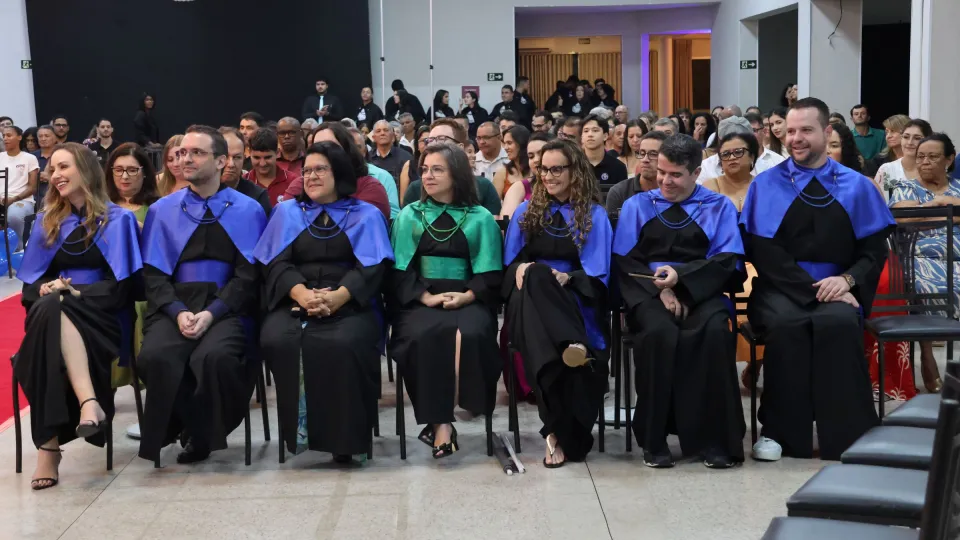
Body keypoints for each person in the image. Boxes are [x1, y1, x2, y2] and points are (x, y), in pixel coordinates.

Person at [741, 98, 895, 462]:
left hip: (840, 289)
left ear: (826, 133)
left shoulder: (857, 187)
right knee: (787, 325)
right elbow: (763, 252)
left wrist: (846, 281)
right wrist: (815, 290)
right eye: (790, 131)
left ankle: (847, 436)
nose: (796, 138)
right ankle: (779, 434)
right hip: (780, 289)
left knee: (840, 325)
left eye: (806, 130)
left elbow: (873, 251)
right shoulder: (766, 185)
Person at [137, 125, 267, 465]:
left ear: (222, 161)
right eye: (181, 153)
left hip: (228, 305)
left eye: (196, 152)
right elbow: (154, 275)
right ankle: (191, 424)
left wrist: (212, 312)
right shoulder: (162, 210)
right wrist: (179, 312)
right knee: (156, 357)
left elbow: (249, 275)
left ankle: (198, 434)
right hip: (175, 304)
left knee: (215, 359)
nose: (185, 158)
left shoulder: (248, 209)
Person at [255, 141, 393, 462]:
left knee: (345, 343)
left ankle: (346, 443)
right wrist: (302, 293)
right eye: (306, 171)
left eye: (320, 169)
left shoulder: (365, 214)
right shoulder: (287, 212)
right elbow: (275, 263)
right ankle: (301, 436)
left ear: (339, 173)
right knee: (280, 339)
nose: (311, 177)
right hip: (294, 298)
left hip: (350, 300)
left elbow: (372, 268)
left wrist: (339, 296)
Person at [15, 142, 141, 489]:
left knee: (48, 330)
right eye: (52, 169)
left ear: (86, 170)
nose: (55, 175)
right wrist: (44, 289)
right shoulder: (46, 221)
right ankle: (90, 403)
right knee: (50, 306)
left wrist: (75, 292)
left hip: (103, 318)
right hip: (51, 312)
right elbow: (28, 286)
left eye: (64, 167)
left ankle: (48, 450)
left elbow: (123, 289)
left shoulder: (118, 220)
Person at [615, 134, 745, 468]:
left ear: (696, 172)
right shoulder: (638, 206)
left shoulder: (717, 206)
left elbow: (728, 260)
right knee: (659, 335)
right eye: (661, 172)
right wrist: (663, 288)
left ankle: (716, 440)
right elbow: (625, 262)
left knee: (715, 333)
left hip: (703, 292)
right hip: (647, 291)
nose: (664, 181)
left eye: (675, 175)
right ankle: (654, 439)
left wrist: (683, 283)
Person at [388, 142, 503, 459]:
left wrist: (467, 295)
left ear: (457, 175)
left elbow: (492, 273)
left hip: (469, 294)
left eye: (437, 169)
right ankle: (441, 424)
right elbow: (398, 270)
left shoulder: (479, 218)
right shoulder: (410, 215)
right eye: (424, 169)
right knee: (424, 336)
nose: (427, 175)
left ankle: (456, 408)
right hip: (420, 297)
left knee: (469, 335)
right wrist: (425, 296)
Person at [503, 139, 612, 468]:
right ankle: (572, 345)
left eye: (556, 169)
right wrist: (525, 269)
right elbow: (509, 270)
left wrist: (569, 279)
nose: (548, 176)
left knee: (545, 347)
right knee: (535, 274)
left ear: (575, 170)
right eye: (543, 170)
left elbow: (600, 275)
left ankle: (559, 437)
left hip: (576, 300)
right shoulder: (526, 212)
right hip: (530, 300)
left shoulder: (593, 215)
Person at [889, 133, 960, 394]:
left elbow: (919, 215)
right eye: (921, 157)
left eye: (933, 157)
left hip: (959, 257)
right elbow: (903, 218)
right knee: (921, 282)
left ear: (949, 160)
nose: (925, 162)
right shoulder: (904, 186)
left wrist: (936, 208)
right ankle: (927, 355)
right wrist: (950, 212)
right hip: (921, 258)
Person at [103, 143, 160, 395]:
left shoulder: (159, 208)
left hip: (147, 282)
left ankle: (149, 386)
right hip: (107, 283)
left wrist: (141, 233)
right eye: (118, 170)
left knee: (138, 305)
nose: (124, 177)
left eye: (132, 171)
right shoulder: (99, 208)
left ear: (144, 173)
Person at [401, 119, 501, 216]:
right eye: (430, 140)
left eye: (442, 139)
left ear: (460, 148)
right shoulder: (415, 189)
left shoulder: (483, 187)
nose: (434, 145)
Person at [311, 123, 391, 219]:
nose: (321, 153)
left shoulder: (370, 187)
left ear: (347, 151)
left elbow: (360, 224)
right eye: (316, 147)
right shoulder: (304, 183)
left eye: (329, 146)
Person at [606, 131, 667, 214]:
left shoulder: (671, 192)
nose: (645, 159)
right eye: (642, 153)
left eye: (653, 154)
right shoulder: (619, 192)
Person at [217, 127, 271, 217]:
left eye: (237, 157)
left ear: (244, 157)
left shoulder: (258, 197)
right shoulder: (200, 193)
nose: (231, 164)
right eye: (225, 157)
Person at [1, 126, 40, 249]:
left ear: (19, 137)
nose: (5, 138)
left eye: (9, 135)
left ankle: (19, 248)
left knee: (14, 215)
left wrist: (14, 198)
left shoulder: (30, 158)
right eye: (3, 136)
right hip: (1, 198)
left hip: (22, 200)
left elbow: (32, 188)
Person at [348, 127, 400, 218]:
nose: (352, 152)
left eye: (357, 147)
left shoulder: (383, 176)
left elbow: (393, 215)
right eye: (348, 147)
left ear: (364, 152)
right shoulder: (330, 177)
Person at [702, 132, 760, 213]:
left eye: (738, 152)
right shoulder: (712, 186)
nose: (732, 157)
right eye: (725, 154)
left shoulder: (761, 185)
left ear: (752, 157)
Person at [501, 131, 554, 218]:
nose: (536, 160)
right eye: (531, 156)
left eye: (541, 153)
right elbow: (506, 225)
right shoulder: (520, 187)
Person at [876, 119, 933, 196]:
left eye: (917, 138)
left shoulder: (935, 170)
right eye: (906, 137)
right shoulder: (886, 169)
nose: (910, 142)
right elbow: (878, 203)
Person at [247, 128, 300, 208]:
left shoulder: (294, 182)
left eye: (267, 157)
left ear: (277, 153)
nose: (262, 163)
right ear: (249, 153)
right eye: (256, 158)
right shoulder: (243, 183)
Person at [581, 114, 627, 187]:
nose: (590, 134)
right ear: (582, 137)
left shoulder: (618, 167)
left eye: (595, 130)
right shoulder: (574, 166)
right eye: (586, 131)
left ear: (605, 136)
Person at [367, 120, 411, 184]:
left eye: (386, 130)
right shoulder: (367, 159)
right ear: (373, 138)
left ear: (393, 136)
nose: (382, 133)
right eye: (378, 131)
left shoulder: (405, 157)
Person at [493, 126, 531, 197]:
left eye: (509, 143)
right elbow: (494, 205)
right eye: (505, 143)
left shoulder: (535, 170)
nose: (505, 148)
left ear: (521, 143)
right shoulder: (502, 172)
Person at [398, 125, 431, 198]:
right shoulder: (409, 165)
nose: (427, 143)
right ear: (417, 145)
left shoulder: (443, 163)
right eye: (424, 140)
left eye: (430, 140)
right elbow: (403, 199)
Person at [31, 125, 57, 209]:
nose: (43, 139)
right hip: (34, 197)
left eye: (47, 136)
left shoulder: (61, 155)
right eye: (40, 136)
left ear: (55, 138)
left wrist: (50, 177)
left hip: (56, 195)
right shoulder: (31, 157)